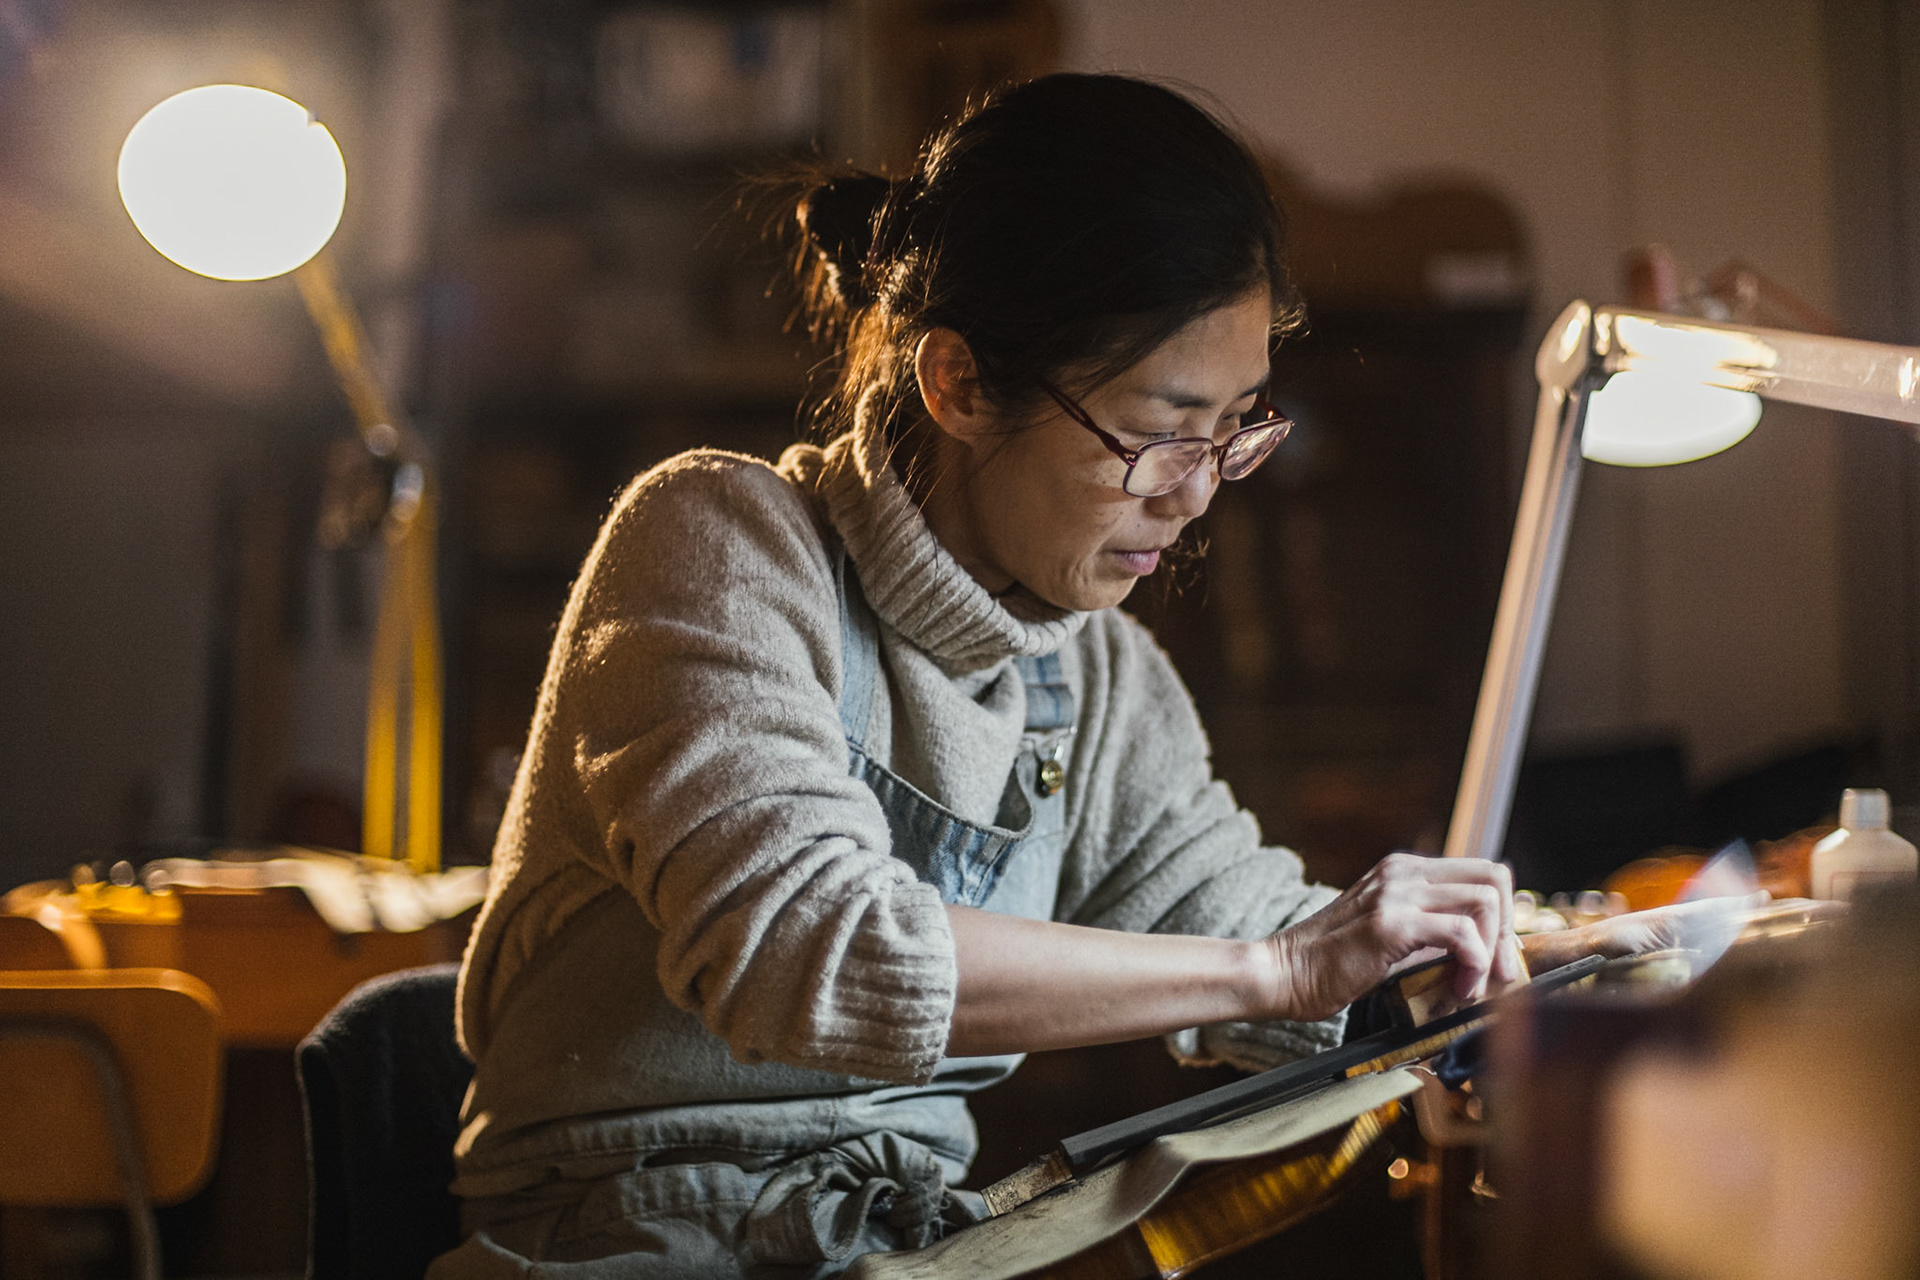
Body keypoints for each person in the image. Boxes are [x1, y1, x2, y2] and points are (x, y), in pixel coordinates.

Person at [432, 73, 1652, 1279]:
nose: (1198, 492)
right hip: (626, 1241)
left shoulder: (1095, 669)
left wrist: (1479, 973)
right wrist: (1278, 971)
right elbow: (814, 949)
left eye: (1235, 427)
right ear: (957, 382)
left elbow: (1227, 907)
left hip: (899, 1243)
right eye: (1162, 430)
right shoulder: (721, 546)